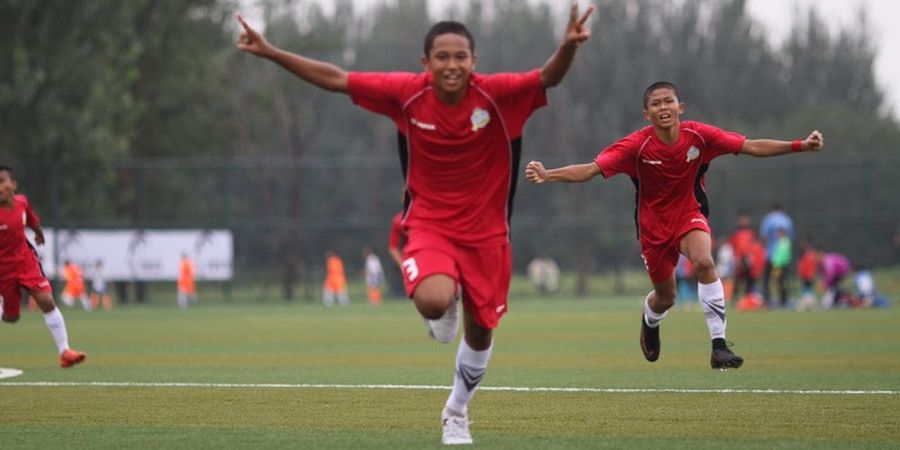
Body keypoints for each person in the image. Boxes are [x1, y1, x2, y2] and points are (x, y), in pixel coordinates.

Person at [238, 3, 594, 444]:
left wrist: (566, 47)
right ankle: (445, 301)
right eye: (442, 56)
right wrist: (271, 51)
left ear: (474, 61)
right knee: (431, 299)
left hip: (487, 231)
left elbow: (547, 78)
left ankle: (456, 411)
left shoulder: (496, 96)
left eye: (460, 56)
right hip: (429, 223)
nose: (452, 65)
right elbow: (335, 78)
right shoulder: (406, 93)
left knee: (482, 331)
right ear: (425, 63)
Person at [525, 81, 824, 369]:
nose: (663, 107)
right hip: (652, 230)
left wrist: (800, 145)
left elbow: (751, 146)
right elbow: (590, 169)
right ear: (647, 114)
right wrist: (548, 174)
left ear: (681, 107)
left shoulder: (700, 136)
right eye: (656, 104)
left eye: (669, 101)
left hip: (689, 216)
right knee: (666, 297)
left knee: (705, 262)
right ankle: (650, 319)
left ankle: (719, 346)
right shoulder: (636, 146)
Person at [0, 165, 86, 368]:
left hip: (25, 261)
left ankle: (65, 351)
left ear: (13, 184)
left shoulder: (21, 203)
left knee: (46, 300)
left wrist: (39, 233)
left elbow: (31, 218)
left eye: (2, 181)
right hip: (3, 270)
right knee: (11, 317)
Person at [759, 204, 794, 307]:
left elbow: (764, 236)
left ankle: (767, 300)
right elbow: (790, 238)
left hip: (771, 255)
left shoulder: (768, 219)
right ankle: (784, 300)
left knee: (767, 279)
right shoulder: (787, 220)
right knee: (782, 280)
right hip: (784, 257)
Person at [768, 227, 792, 307]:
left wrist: (778, 264)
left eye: (778, 233)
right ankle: (779, 299)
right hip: (777, 265)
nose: (777, 235)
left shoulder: (785, 242)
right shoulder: (781, 242)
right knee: (777, 283)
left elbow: (783, 255)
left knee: (780, 283)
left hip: (781, 266)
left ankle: (783, 300)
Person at [795, 240, 820, 311]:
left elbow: (811, 266)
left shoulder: (810, 255)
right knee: (806, 290)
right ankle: (809, 304)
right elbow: (801, 265)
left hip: (808, 276)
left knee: (808, 290)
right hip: (804, 275)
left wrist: (810, 274)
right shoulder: (804, 255)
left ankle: (809, 304)